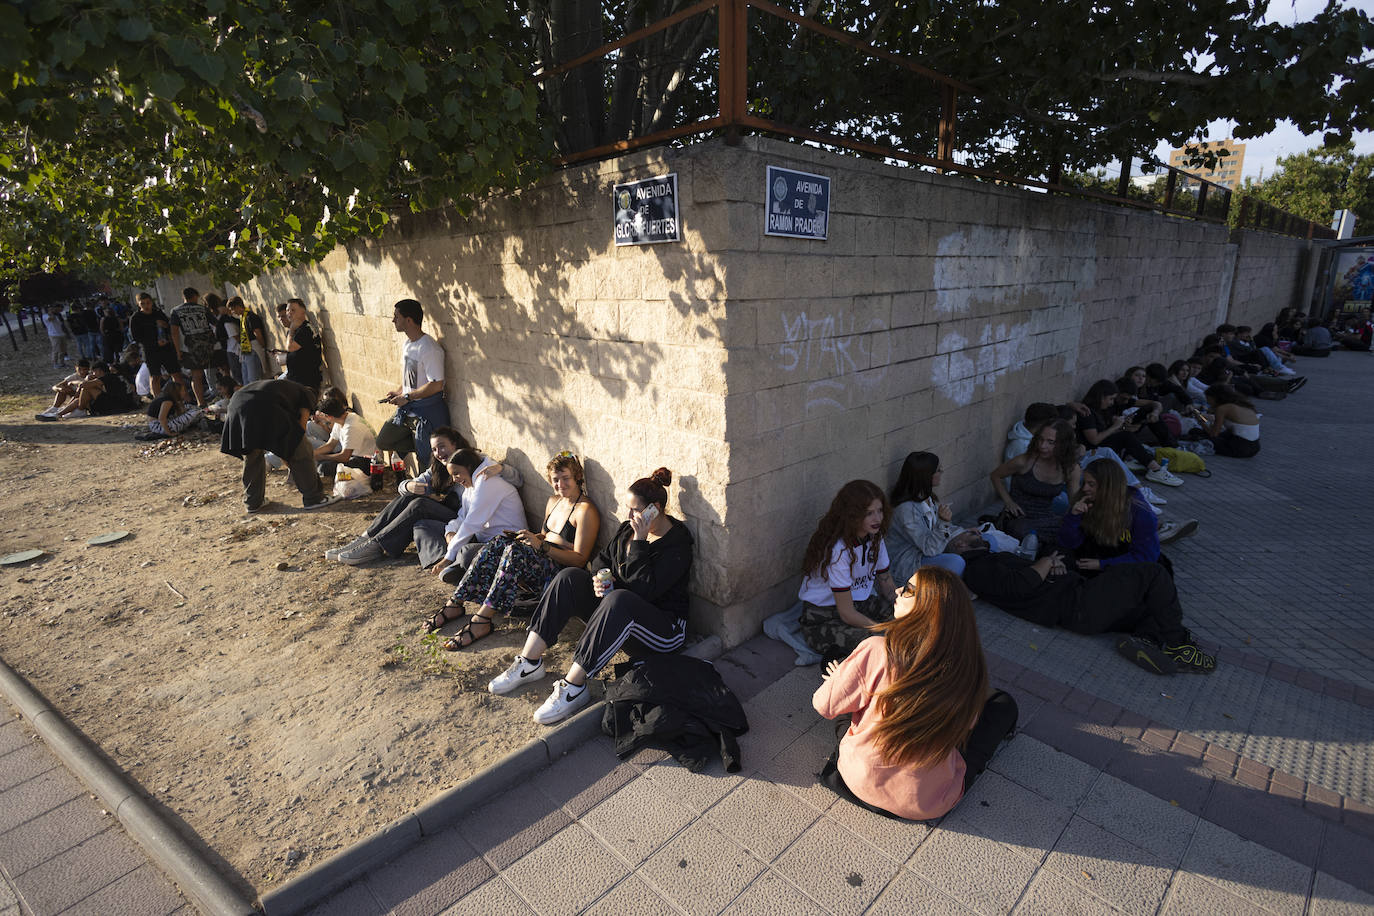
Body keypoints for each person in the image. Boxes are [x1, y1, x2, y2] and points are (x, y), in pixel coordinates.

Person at [486, 468, 694, 727]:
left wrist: (640, 542)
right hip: (620, 620)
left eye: (636, 511)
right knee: (569, 578)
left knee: (619, 600)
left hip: (663, 632)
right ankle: (529, 661)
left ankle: (574, 686)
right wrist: (599, 578)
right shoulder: (626, 530)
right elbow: (600, 561)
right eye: (628, 509)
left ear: (656, 509)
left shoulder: (677, 544)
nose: (629, 517)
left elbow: (644, 592)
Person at [812, 566, 1018, 820]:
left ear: (929, 607)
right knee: (1003, 705)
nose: (898, 590)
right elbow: (965, 729)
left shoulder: (877, 650)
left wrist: (840, 679)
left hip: (858, 781)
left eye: (909, 589)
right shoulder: (970, 671)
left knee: (839, 673)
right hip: (926, 802)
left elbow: (823, 705)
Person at [949, 530, 1216, 675]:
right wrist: (1044, 563)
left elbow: (1024, 581)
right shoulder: (976, 568)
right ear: (959, 545)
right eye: (970, 534)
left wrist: (1050, 567)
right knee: (1153, 573)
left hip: (1078, 600)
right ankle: (1179, 644)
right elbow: (1017, 586)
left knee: (1150, 605)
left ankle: (1147, 640)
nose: (977, 533)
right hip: (1077, 604)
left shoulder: (990, 560)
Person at [430, 451, 602, 643]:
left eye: (566, 478)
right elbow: (544, 536)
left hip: (562, 572)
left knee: (515, 553)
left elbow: (579, 559)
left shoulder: (585, 510)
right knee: (499, 542)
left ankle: (482, 619)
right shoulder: (554, 501)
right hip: (542, 559)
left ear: (577, 477)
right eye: (555, 479)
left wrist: (542, 546)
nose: (560, 484)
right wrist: (527, 537)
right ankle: (455, 602)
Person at [328, 427, 473, 566]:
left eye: (442, 447)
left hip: (462, 520)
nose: (438, 453)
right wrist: (409, 486)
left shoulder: (473, 463)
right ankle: (364, 539)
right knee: (408, 498)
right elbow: (403, 487)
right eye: (434, 449)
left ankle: (376, 545)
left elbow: (489, 467)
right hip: (449, 517)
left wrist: (496, 468)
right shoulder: (439, 468)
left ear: (455, 444)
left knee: (420, 505)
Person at [797, 480, 897, 661]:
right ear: (853, 515)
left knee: (908, 622)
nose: (878, 519)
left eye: (880, 511)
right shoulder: (838, 550)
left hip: (861, 602)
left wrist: (904, 611)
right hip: (824, 616)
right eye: (869, 513)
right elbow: (847, 613)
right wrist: (883, 629)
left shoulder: (874, 537)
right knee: (878, 642)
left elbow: (886, 582)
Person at [220, 378, 337, 512]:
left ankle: (253, 502)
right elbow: (300, 432)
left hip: (237, 407)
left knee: (253, 455)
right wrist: (292, 457)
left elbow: (283, 440)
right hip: (261, 408)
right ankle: (315, 498)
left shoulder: (284, 389)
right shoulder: (307, 394)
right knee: (303, 451)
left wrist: (286, 455)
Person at [1058, 459, 1169, 574]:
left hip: (1126, 569)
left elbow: (1146, 557)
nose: (1085, 488)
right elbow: (1068, 543)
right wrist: (1073, 517)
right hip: (1094, 560)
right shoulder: (1086, 501)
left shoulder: (1140, 513)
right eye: (1084, 483)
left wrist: (1102, 565)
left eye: (1091, 484)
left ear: (1108, 486)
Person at [375, 298, 448, 469]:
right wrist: (400, 392)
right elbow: (412, 378)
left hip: (425, 413)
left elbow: (436, 384)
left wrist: (407, 397)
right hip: (407, 408)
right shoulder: (408, 344)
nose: (393, 320)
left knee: (426, 461)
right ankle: (419, 445)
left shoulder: (429, 348)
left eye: (396, 317)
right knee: (383, 440)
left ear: (408, 320)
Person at [988, 419, 1082, 546]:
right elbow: (995, 476)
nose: (1042, 446)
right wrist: (1009, 502)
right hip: (1019, 517)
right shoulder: (1024, 461)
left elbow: (1074, 501)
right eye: (1040, 439)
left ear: (1063, 444)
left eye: (1050, 442)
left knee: (1075, 532)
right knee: (1023, 532)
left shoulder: (1070, 468)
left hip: (1046, 517)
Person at [1076, 380, 1182, 486]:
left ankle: (1155, 463)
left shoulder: (1103, 409)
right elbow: (1094, 440)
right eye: (1110, 399)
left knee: (1131, 429)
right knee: (1126, 437)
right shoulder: (1087, 412)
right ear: (1101, 396)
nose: (1112, 402)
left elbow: (1154, 404)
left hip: (1107, 442)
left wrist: (1123, 427)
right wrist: (1116, 427)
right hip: (1093, 451)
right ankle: (1155, 469)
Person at [887, 451, 971, 583]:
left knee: (982, 543)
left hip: (929, 552)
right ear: (926, 476)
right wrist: (943, 523)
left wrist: (966, 533)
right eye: (938, 470)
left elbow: (938, 533)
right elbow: (930, 548)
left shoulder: (927, 498)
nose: (942, 472)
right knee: (956, 562)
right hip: (909, 563)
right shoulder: (907, 510)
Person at [311, 390, 379, 480]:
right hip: (354, 457)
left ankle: (347, 479)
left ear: (328, 416)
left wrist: (321, 456)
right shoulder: (340, 421)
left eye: (322, 415)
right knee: (321, 462)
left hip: (368, 462)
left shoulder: (351, 426)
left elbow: (345, 457)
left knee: (324, 467)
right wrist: (312, 454)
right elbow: (330, 445)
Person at [169, 287, 218, 407]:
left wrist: (177, 350)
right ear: (195, 296)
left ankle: (201, 402)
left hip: (190, 347)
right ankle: (219, 396)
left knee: (196, 376)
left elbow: (174, 332)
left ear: (184, 297)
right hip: (208, 347)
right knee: (214, 372)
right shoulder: (203, 309)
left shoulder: (176, 311)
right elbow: (216, 324)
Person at [129, 292, 178, 398]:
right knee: (155, 376)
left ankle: (182, 399)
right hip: (150, 351)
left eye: (148, 303)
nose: (146, 306)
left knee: (176, 374)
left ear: (151, 303)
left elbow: (170, 328)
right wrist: (154, 343)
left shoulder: (158, 313)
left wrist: (164, 325)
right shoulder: (136, 318)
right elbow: (136, 337)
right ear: (138, 304)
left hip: (166, 349)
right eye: (143, 304)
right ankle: (158, 400)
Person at [1203, 384, 1261, 458]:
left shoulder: (1222, 409)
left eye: (1208, 398)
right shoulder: (1242, 405)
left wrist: (1200, 420)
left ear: (1215, 398)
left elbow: (1213, 434)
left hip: (1239, 448)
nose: (1207, 401)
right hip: (1254, 447)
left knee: (1200, 434)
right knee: (1223, 434)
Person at [283, 298, 324, 393]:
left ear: (303, 312)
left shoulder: (305, 330)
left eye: (293, 310)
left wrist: (292, 329)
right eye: (288, 310)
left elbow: (290, 347)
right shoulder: (297, 329)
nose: (289, 313)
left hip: (306, 380)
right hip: (296, 379)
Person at [227, 297, 268, 384]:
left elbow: (257, 333)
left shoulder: (250, 317)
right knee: (246, 381)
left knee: (253, 380)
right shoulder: (242, 318)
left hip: (253, 350)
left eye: (233, 309)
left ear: (238, 306)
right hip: (246, 351)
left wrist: (263, 347)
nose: (233, 312)